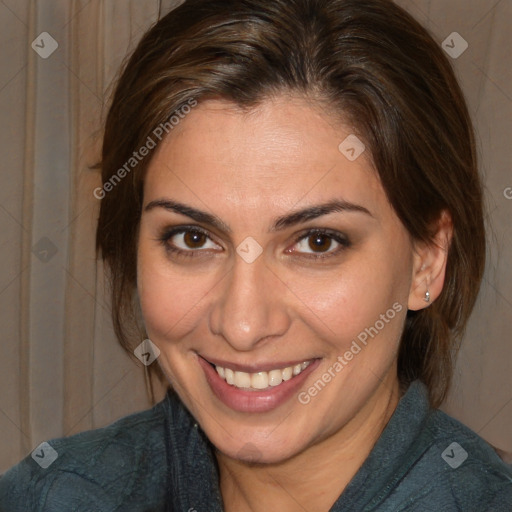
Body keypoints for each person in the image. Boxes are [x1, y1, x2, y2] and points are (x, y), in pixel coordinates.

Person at [1, 0, 511, 510]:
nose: (243, 325)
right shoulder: (50, 496)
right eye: (193, 239)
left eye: (317, 242)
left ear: (427, 259)